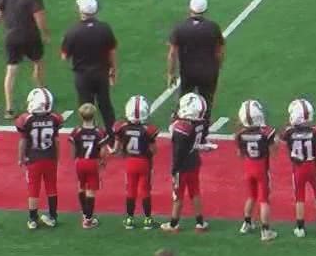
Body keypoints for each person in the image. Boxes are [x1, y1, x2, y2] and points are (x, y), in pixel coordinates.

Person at [62, 0, 119, 129]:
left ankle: (89, 137)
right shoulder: (105, 28)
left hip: (83, 75)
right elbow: (112, 51)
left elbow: (64, 56)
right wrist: (113, 70)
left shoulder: (73, 31)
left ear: (81, 10)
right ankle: (112, 138)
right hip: (101, 73)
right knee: (105, 106)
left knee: (86, 109)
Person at [0, 0, 48, 116]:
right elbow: (39, 16)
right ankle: (42, 94)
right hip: (30, 35)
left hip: (11, 35)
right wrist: (45, 33)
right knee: (38, 63)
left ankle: (9, 107)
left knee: (11, 71)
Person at [282, 98, 316, 237]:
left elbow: (285, 141)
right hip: (312, 166)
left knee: (299, 197)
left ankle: (300, 228)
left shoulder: (289, 132)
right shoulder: (315, 131)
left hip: (298, 167)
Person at [160, 92, 211, 233]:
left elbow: (178, 151)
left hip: (182, 165)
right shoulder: (201, 122)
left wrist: (174, 169)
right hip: (194, 161)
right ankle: (200, 223)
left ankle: (174, 224)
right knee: (195, 192)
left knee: (178, 195)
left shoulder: (182, 128)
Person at [14, 87, 63, 229]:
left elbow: (23, 141)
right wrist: (57, 157)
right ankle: (53, 217)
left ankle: (33, 219)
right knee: (51, 187)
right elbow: (57, 141)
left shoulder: (26, 119)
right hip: (50, 157)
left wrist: (20, 158)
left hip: (33, 159)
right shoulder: (54, 118)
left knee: (33, 188)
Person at [167, 0, 224, 107]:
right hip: (209, 72)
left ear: (190, 8)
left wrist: (171, 73)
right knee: (206, 103)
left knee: (184, 103)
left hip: (188, 72)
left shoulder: (180, 28)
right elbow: (220, 51)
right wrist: (218, 67)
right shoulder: (213, 27)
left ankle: (181, 122)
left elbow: (172, 54)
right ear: (205, 9)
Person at [233, 100, 279, 241]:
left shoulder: (240, 134)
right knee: (264, 200)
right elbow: (273, 152)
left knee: (251, 196)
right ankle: (265, 231)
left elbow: (240, 154)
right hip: (261, 169)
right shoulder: (267, 132)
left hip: (248, 168)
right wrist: (275, 143)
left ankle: (246, 223)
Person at [113, 96, 161, 229]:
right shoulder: (148, 129)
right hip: (144, 162)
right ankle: (147, 220)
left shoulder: (121, 127)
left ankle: (129, 219)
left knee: (130, 190)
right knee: (145, 190)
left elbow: (116, 148)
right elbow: (154, 150)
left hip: (130, 162)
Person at [68, 103, 109, 229]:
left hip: (80, 161)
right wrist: (102, 161)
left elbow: (74, 149)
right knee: (91, 190)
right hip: (92, 162)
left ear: (81, 116)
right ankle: (88, 220)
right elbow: (103, 150)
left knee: (81, 186)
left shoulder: (77, 131)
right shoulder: (99, 132)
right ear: (94, 115)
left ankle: (85, 213)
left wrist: (74, 159)